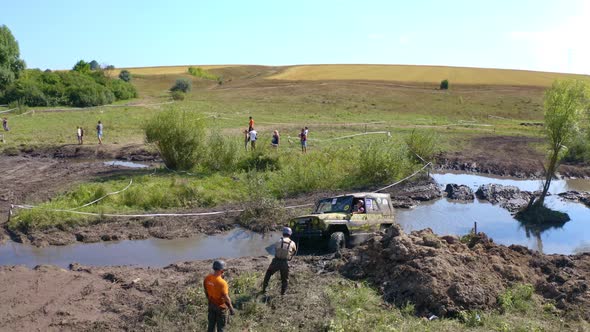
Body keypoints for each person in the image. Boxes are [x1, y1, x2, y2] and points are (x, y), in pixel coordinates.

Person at [262, 227, 297, 296]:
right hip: (285, 262)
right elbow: (294, 251)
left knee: (268, 273)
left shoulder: (278, 241)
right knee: (285, 279)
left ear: (283, 233)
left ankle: (264, 290)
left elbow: (274, 248)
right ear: (290, 234)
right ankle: (283, 293)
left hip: (276, 261)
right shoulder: (292, 243)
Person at [204, 260, 235, 332]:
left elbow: (206, 291)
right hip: (221, 308)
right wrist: (231, 308)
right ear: (222, 270)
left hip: (211, 305)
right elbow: (226, 297)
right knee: (221, 328)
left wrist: (210, 300)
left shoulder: (207, 278)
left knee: (211, 326)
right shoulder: (222, 283)